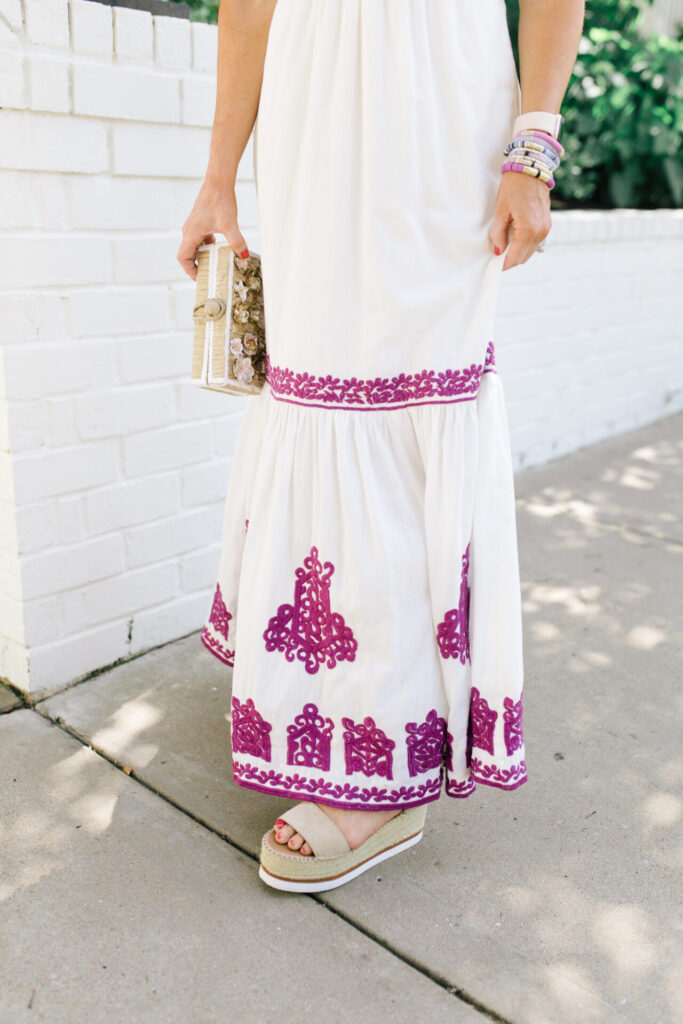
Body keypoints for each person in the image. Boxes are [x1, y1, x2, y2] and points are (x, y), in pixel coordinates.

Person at [178, 0, 585, 893]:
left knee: (404, 409)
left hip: (442, 119)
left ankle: (390, 766)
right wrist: (218, 177)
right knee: (317, 393)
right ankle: (318, 714)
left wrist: (533, 152)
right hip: (309, 118)